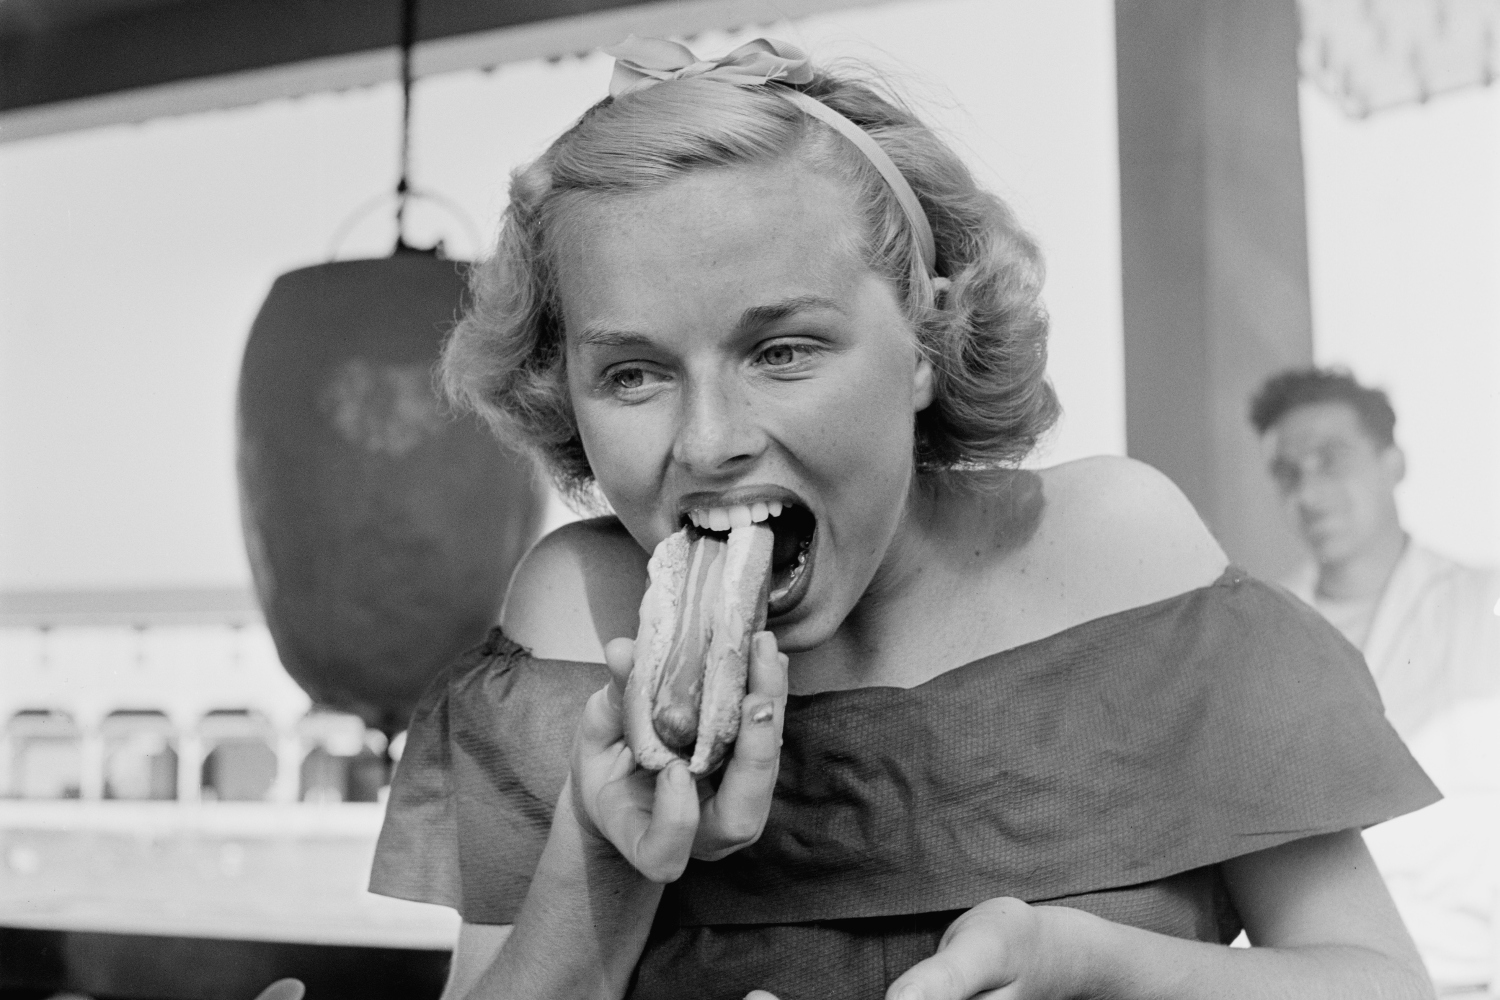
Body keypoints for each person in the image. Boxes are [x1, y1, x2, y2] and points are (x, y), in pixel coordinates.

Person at [370, 37, 1439, 1000]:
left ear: (927, 338)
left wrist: (1095, 969)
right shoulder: (575, 616)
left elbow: (1382, 984)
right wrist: (602, 858)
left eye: (781, 350)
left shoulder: (1124, 558)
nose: (706, 443)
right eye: (635, 372)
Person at [1251, 367, 1500, 996]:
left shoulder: (1484, 606)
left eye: (1332, 459)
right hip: (1334, 979)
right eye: (1289, 472)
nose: (1310, 492)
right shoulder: (1260, 635)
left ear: (1394, 463)